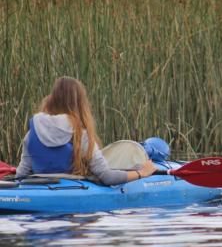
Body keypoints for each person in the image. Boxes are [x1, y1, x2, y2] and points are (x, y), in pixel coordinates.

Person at [16, 76, 157, 185]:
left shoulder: (32, 133)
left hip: (38, 188)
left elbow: (21, 175)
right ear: (79, 104)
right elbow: (107, 177)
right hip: (72, 191)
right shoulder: (80, 134)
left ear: (52, 100)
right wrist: (141, 173)